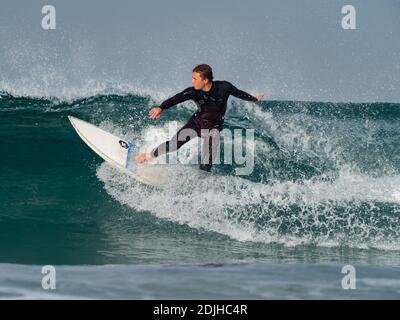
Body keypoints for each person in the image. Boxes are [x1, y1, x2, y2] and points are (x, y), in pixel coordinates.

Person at [135, 64, 264, 171]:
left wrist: (254, 99)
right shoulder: (193, 91)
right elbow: (177, 98)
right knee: (174, 145)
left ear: (205, 80)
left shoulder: (224, 87)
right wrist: (161, 107)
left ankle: (200, 184)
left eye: (195, 78)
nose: (192, 81)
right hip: (196, 123)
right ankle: (146, 156)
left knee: (206, 163)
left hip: (213, 128)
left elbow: (239, 93)